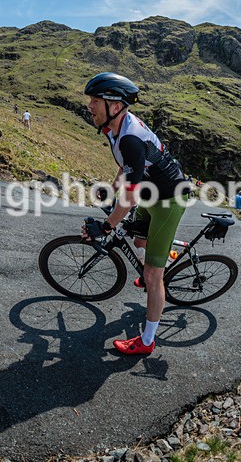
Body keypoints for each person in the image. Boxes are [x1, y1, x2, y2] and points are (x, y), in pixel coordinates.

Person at [81, 72, 189, 355]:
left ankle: (147, 341)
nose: (90, 106)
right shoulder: (115, 128)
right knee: (138, 238)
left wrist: (106, 227)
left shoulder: (128, 136)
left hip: (169, 199)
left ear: (115, 106)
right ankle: (160, 251)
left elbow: (128, 198)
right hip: (151, 192)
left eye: (95, 101)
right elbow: (127, 167)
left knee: (153, 276)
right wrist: (112, 188)